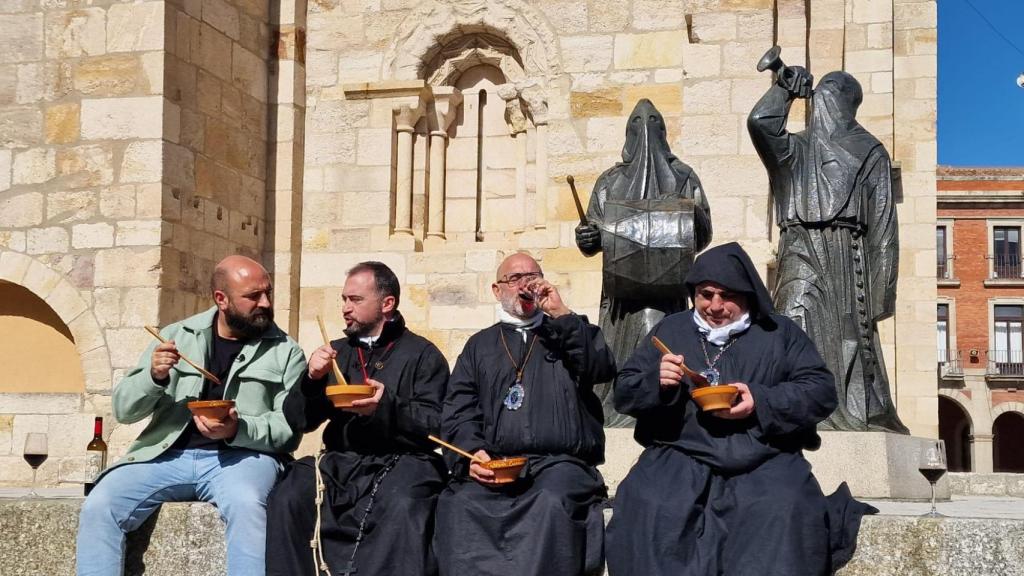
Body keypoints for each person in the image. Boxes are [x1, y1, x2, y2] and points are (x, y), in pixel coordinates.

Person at [606, 242, 873, 576]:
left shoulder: (780, 332)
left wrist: (760, 400)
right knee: (648, 504)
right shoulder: (670, 330)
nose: (715, 306)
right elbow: (624, 391)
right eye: (706, 295)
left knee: (785, 510)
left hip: (764, 456)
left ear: (747, 295)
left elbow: (820, 391)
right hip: (681, 454)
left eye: (727, 295)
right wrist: (656, 381)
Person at [76, 255, 305, 576]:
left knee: (248, 505)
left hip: (243, 458)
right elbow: (124, 410)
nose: (265, 303)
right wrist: (153, 377)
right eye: (253, 296)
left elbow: (289, 431)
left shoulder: (286, 351)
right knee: (100, 505)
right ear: (221, 299)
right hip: (166, 455)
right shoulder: (177, 335)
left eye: (268, 293)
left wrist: (236, 428)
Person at [747, 62, 907, 433]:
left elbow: (884, 228)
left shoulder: (871, 152)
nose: (822, 96)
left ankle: (844, 410)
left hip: (847, 256)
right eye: (820, 90)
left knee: (850, 337)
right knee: (791, 322)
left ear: (847, 102)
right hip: (799, 249)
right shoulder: (794, 150)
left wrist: (883, 292)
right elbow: (760, 123)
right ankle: (784, 408)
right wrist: (784, 89)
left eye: (831, 90)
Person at [434, 253, 615, 576]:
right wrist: (471, 455)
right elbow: (458, 410)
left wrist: (560, 313)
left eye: (533, 276)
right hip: (498, 465)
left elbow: (600, 367)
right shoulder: (479, 346)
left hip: (559, 464)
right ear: (496, 289)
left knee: (550, 502)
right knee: (459, 505)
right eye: (514, 278)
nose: (525, 284)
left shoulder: (567, 330)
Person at [267, 262, 450, 576]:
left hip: (405, 461)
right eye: (343, 299)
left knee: (405, 504)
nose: (345, 308)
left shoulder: (423, 354)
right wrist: (312, 379)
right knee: (289, 494)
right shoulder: (336, 353)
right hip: (341, 462)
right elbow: (298, 420)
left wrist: (385, 407)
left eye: (355, 300)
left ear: (387, 303)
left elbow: (437, 424)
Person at [575, 99, 713, 426]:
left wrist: (688, 215)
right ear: (628, 134)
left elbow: (703, 232)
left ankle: (662, 408)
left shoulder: (683, 175)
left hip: (667, 293)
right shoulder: (609, 180)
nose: (646, 128)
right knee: (617, 349)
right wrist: (587, 238)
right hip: (620, 298)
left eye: (654, 122)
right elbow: (592, 229)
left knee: (660, 340)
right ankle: (617, 410)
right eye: (637, 124)